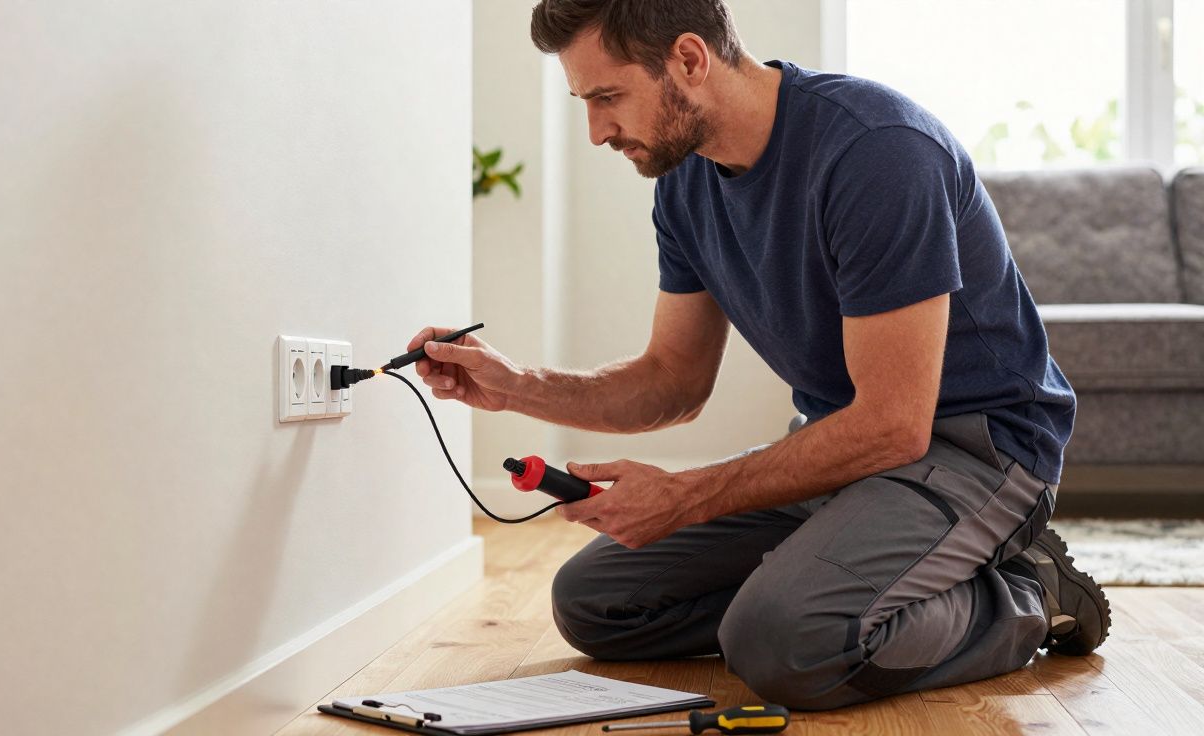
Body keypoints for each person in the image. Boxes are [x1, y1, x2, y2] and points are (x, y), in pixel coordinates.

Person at [407, 0, 1109, 710]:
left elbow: (897, 424)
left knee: (783, 642)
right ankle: (833, 580)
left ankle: (1026, 591)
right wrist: (514, 385)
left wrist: (685, 497)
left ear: (688, 59)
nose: (595, 131)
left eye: (607, 97)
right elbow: (672, 381)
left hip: (977, 451)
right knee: (596, 603)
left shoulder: (879, 153)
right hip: (842, 450)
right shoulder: (685, 182)